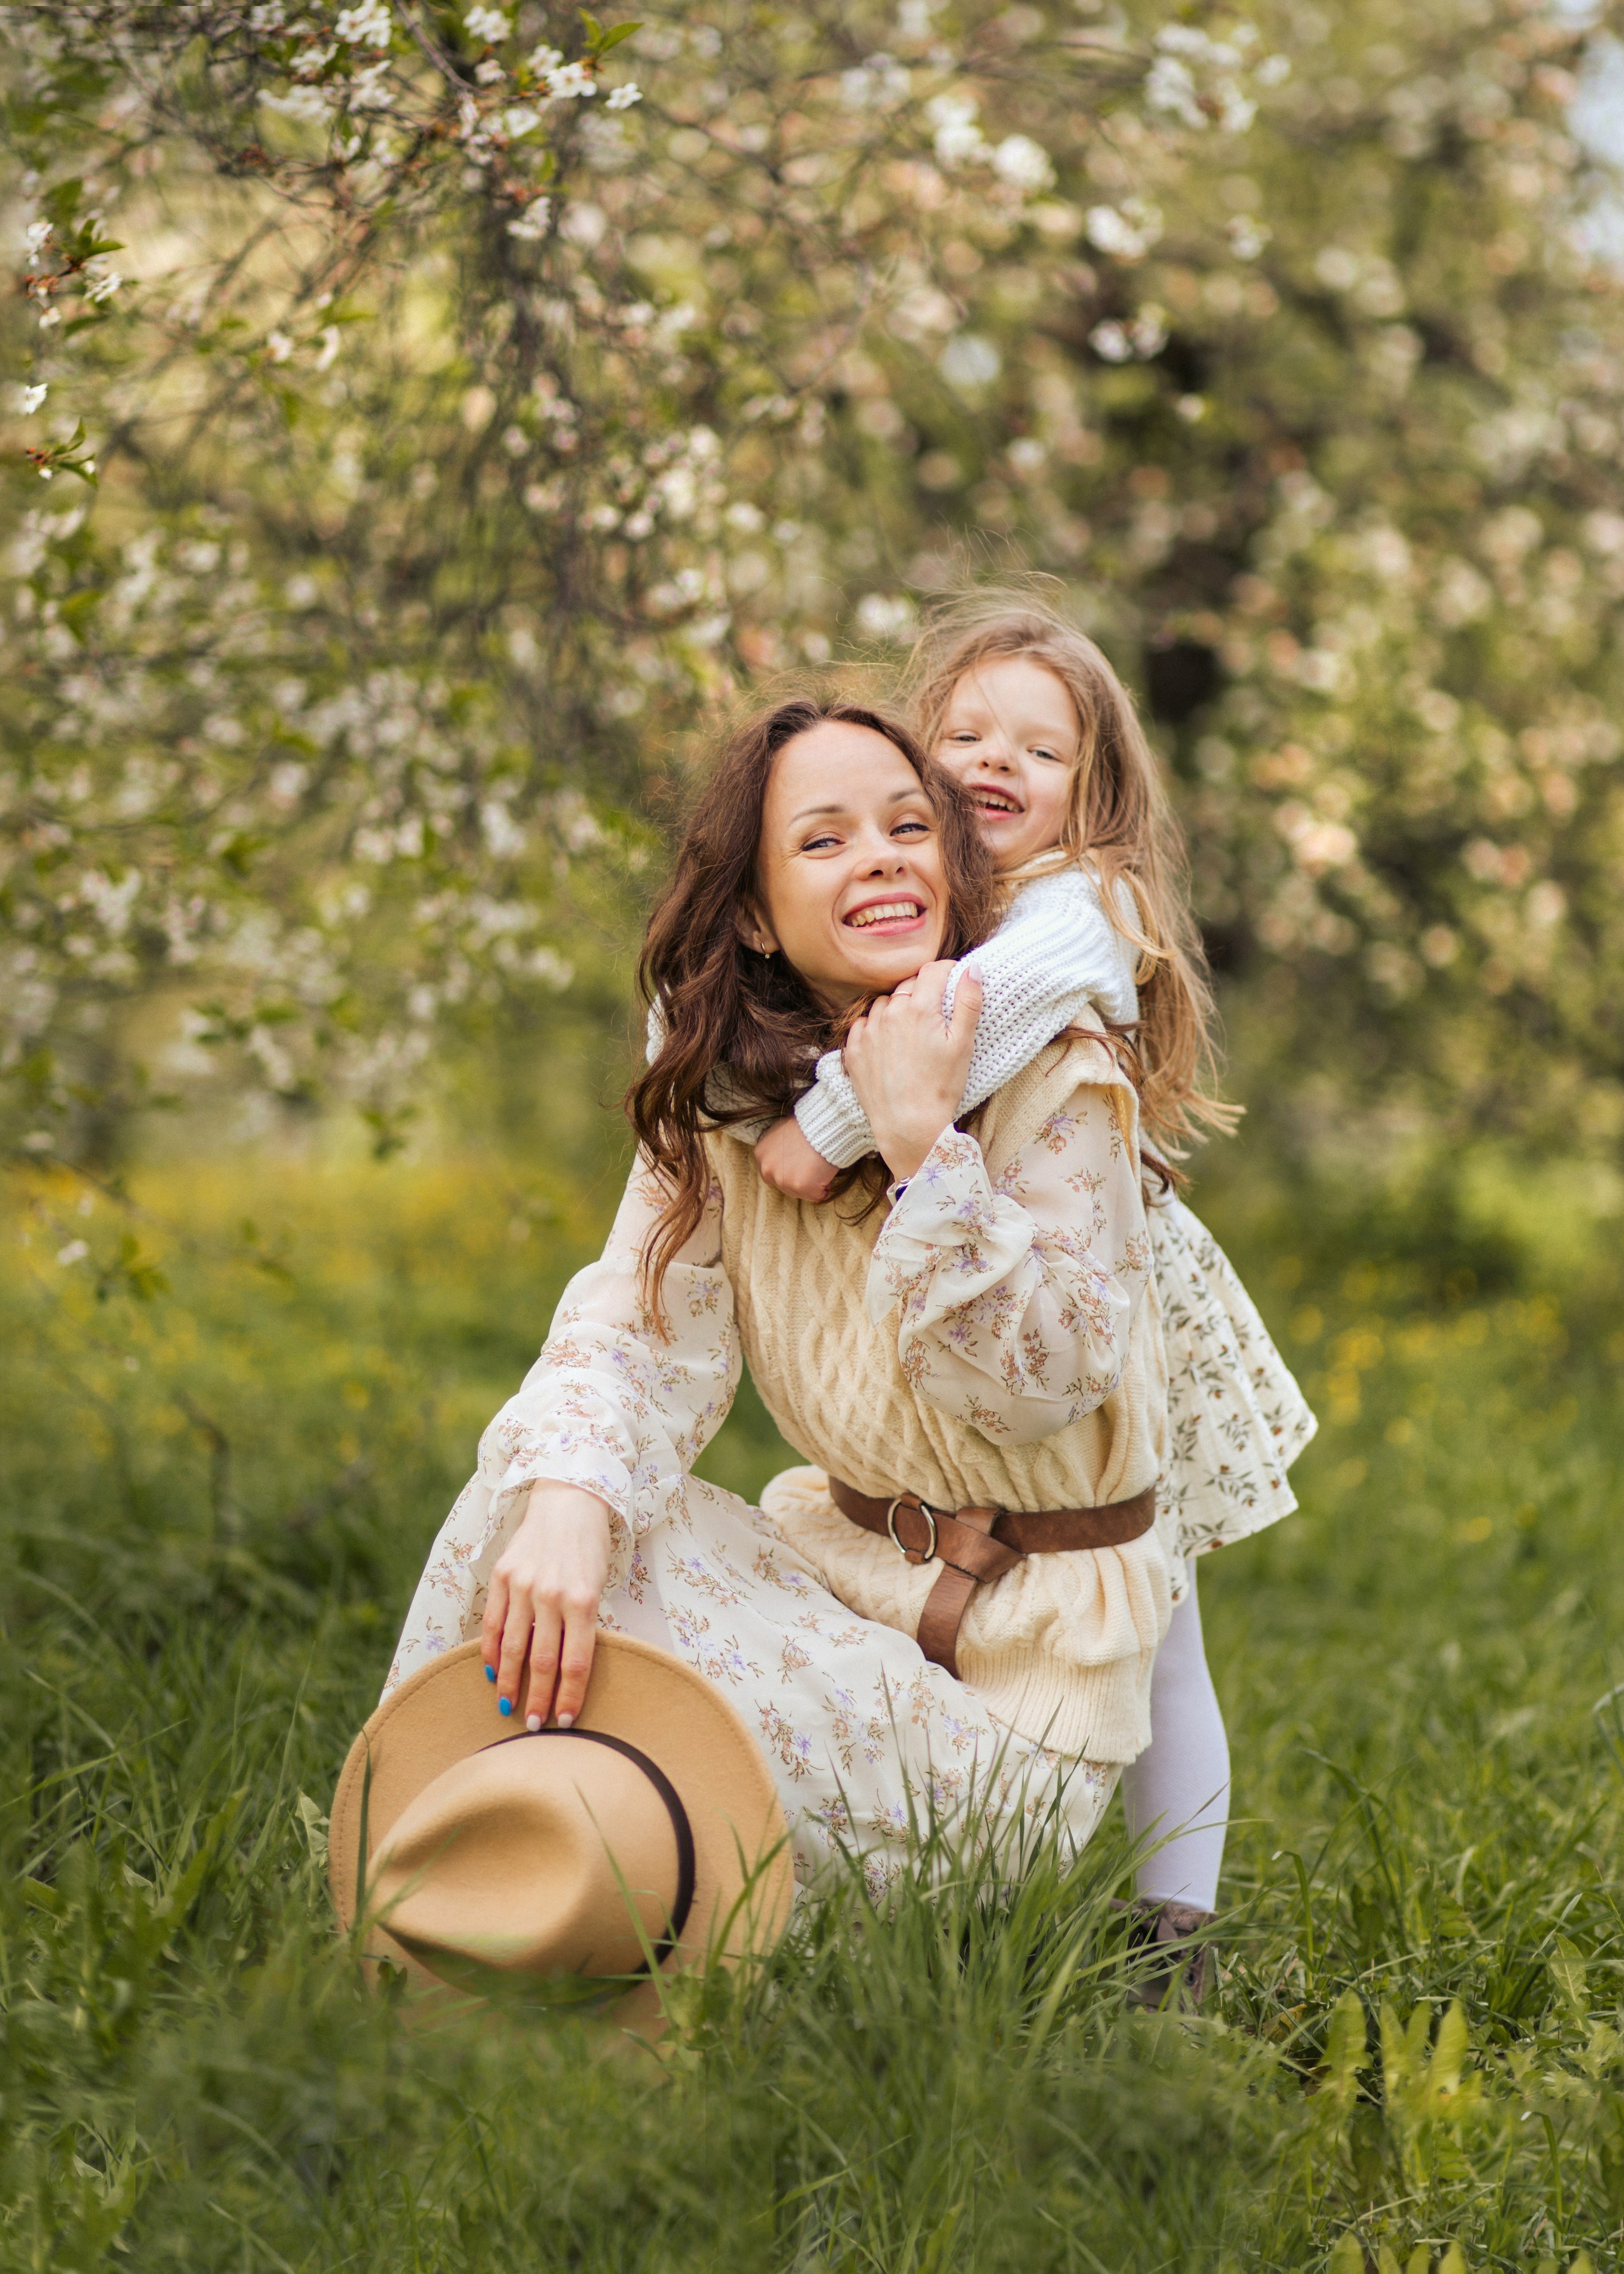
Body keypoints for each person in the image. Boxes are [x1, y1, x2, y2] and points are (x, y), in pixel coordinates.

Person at [388, 695, 1180, 1899]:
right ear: (755, 914)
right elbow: (635, 1328)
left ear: (954, 869)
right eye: (823, 840)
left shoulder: (1055, 1075)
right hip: (841, 1592)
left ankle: (607, 1903)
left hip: (1020, 1702)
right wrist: (565, 1506)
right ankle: (457, 1875)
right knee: (544, 1497)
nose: (879, 855)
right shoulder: (735, 1101)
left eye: (911, 828)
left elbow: (1047, 1392)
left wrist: (925, 1149)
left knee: (655, 1742)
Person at [746, 596, 1317, 1954]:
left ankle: (1174, 1928)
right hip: (1016, 1268)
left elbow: (971, 1016)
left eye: (1040, 752)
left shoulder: (1078, 908)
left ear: (1092, 797)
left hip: (1121, 1305)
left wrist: (821, 1131)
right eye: (962, 733)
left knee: (1156, 1621)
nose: (994, 762)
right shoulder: (948, 893)